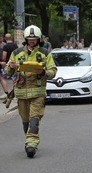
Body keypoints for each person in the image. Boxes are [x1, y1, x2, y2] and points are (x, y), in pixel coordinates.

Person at [4, 25, 57, 158]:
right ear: (26, 39)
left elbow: (53, 71)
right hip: (21, 94)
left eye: (34, 39)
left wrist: (43, 71)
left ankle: (31, 145)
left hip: (38, 93)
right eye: (29, 38)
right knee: (25, 122)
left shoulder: (45, 53)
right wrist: (10, 67)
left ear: (38, 39)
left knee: (34, 120)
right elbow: (6, 71)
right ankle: (29, 140)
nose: (32, 41)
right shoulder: (16, 53)